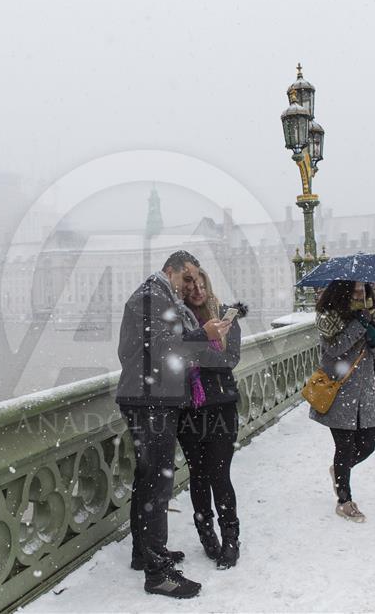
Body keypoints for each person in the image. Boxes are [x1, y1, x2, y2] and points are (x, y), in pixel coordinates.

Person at [116, 250, 231, 598]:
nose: (190, 286)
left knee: (147, 479)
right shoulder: (154, 294)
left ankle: (144, 553)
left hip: (146, 396)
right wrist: (204, 333)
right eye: (186, 278)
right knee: (157, 485)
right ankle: (159, 573)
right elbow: (165, 347)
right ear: (171, 271)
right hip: (151, 400)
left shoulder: (155, 294)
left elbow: (142, 350)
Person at [177, 268, 245, 570]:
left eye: (201, 283)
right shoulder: (176, 320)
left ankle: (231, 536)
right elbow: (173, 359)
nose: (197, 289)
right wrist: (203, 340)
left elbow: (228, 361)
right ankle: (207, 535)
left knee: (219, 474)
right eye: (190, 283)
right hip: (188, 410)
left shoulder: (225, 317)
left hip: (221, 406)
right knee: (199, 476)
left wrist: (204, 344)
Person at [312, 280, 375, 522]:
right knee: (344, 447)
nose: (361, 293)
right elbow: (334, 349)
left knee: (368, 445)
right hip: (340, 392)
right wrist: (358, 325)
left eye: (364, 289)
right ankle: (344, 501)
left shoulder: (373, 315)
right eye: (356, 289)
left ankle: (339, 471)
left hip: (364, 394)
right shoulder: (330, 318)